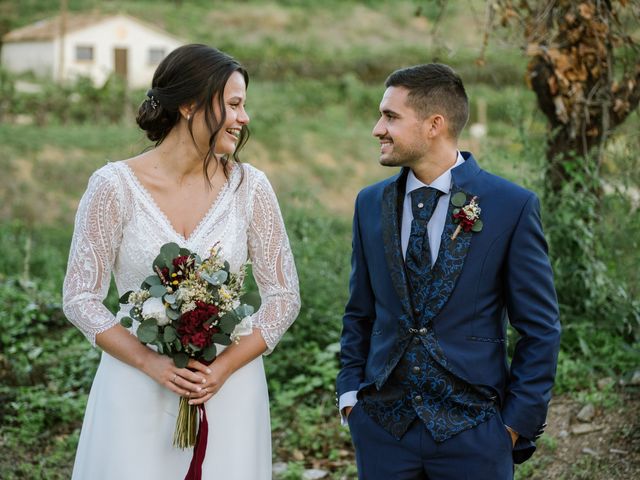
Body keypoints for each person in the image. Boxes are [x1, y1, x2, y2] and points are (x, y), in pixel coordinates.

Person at [62, 44, 300, 480]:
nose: (244, 118)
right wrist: (149, 362)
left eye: (243, 105)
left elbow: (284, 297)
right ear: (189, 105)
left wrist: (221, 370)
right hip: (136, 385)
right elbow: (80, 297)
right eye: (233, 104)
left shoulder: (251, 187)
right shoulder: (113, 187)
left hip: (229, 390)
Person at [337, 63, 561, 479]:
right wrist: (351, 396)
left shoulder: (511, 206)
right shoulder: (370, 204)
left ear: (434, 124)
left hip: (477, 435)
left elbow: (540, 328)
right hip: (384, 433)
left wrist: (512, 427)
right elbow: (359, 313)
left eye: (390, 116)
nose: (377, 129)